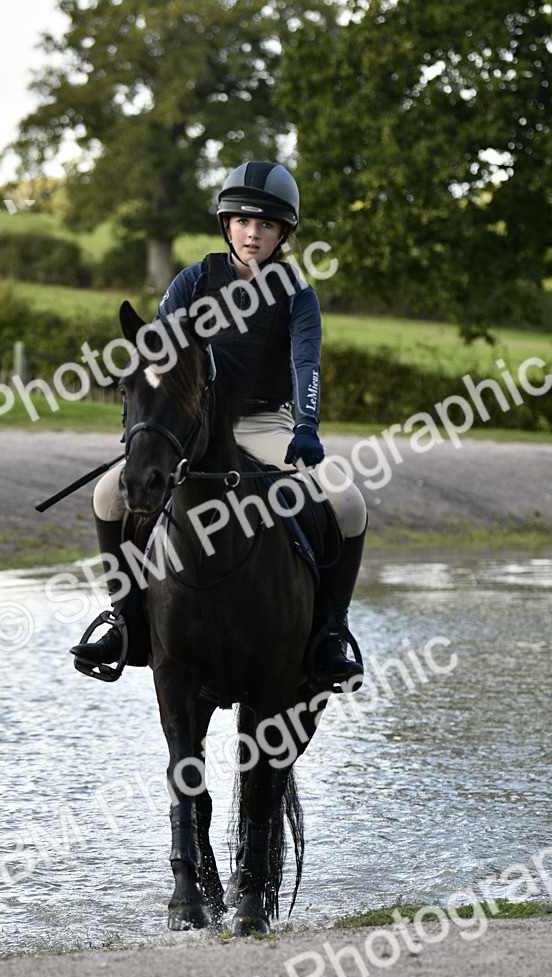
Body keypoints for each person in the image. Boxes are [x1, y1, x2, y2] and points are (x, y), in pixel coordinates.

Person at [71, 160, 367, 683]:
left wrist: (307, 426)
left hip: (266, 425)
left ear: (283, 233)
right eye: (243, 222)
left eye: (267, 225)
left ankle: (329, 633)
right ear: (227, 225)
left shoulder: (297, 294)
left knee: (348, 502)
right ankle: (125, 622)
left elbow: (305, 363)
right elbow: (154, 361)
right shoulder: (192, 282)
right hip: (193, 425)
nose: (254, 234)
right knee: (106, 497)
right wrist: (138, 435)